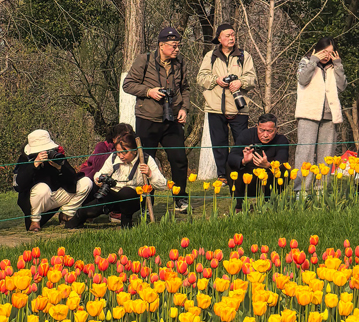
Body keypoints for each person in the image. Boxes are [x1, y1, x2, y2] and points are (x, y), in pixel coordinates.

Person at [122, 26, 190, 212]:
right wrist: (148, 91)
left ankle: (180, 198)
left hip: (172, 120)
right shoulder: (144, 60)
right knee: (145, 161)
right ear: (161, 46)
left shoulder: (180, 62)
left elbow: (185, 88)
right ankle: (147, 202)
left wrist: (184, 108)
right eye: (173, 46)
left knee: (179, 159)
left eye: (178, 46)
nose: (177, 49)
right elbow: (127, 85)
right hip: (147, 118)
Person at [66, 133, 167, 230]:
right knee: (90, 210)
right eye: (118, 152)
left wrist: (150, 174)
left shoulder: (146, 160)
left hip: (135, 198)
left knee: (126, 192)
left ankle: (126, 222)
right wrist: (100, 179)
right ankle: (72, 224)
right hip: (113, 194)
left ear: (135, 151)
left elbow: (162, 185)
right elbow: (100, 174)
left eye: (124, 152)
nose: (121, 156)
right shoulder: (113, 158)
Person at [197, 23, 257, 182]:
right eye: (227, 36)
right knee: (219, 144)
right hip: (215, 107)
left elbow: (252, 79)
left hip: (239, 107)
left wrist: (240, 83)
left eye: (233, 35)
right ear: (219, 38)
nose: (231, 38)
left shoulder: (244, 56)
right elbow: (201, 78)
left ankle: (241, 173)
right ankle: (223, 175)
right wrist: (216, 80)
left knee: (242, 143)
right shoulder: (210, 56)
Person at [12, 130, 93, 232]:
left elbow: (72, 178)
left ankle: (67, 214)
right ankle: (35, 220)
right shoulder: (25, 159)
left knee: (86, 182)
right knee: (42, 188)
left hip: (57, 195)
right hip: (38, 199)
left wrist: (60, 168)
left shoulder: (56, 155)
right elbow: (18, 185)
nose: (45, 152)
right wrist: (34, 164)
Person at [294, 37, 346, 193]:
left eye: (331, 53)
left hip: (330, 117)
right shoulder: (306, 61)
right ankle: (301, 191)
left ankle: (320, 191)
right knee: (305, 153)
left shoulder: (334, 66)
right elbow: (302, 79)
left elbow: (342, 86)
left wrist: (338, 65)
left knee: (326, 155)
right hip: (308, 114)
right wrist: (314, 60)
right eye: (325, 52)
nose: (327, 56)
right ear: (317, 49)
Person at [228, 113, 290, 211]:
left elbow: (282, 160)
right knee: (231, 165)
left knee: (285, 169)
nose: (265, 135)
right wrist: (243, 161)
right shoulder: (246, 135)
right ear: (257, 127)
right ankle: (238, 206)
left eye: (270, 131)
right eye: (262, 130)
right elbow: (232, 156)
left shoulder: (281, 140)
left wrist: (268, 165)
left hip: (268, 182)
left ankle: (269, 203)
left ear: (276, 129)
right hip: (249, 181)